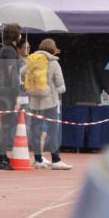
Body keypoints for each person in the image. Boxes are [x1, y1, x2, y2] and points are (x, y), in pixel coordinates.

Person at [27, 38, 71, 170]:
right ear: (52, 49)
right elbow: (60, 85)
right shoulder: (53, 63)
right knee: (53, 131)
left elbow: (22, 73)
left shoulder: (32, 60)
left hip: (34, 102)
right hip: (50, 102)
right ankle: (56, 159)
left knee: (36, 131)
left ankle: (38, 159)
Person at [0, 23, 22, 171]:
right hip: (7, 91)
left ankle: (2, 156)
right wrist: (17, 95)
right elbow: (11, 72)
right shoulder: (10, 51)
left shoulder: (3, 49)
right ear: (15, 35)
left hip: (1, 89)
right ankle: (2, 158)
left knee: (4, 125)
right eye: (19, 33)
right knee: (5, 125)